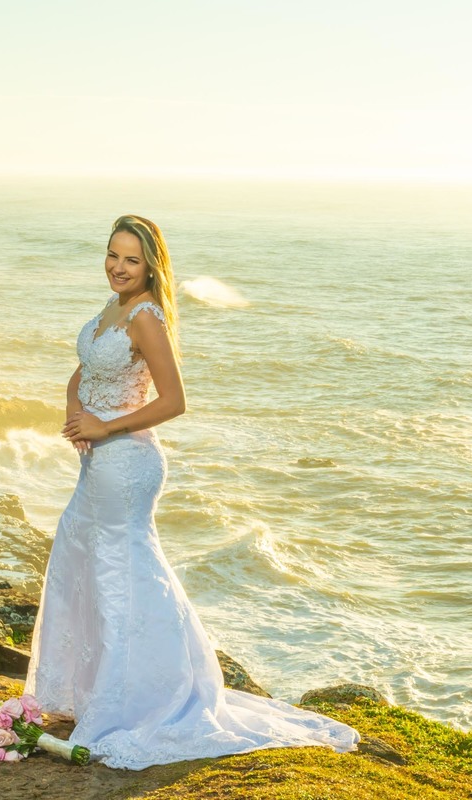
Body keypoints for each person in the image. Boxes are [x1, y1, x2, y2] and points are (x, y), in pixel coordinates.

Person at [24, 214, 360, 770]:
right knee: (83, 558)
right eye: (112, 254)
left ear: (151, 266)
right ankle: (92, 690)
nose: (118, 266)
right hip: (97, 465)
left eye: (131, 259)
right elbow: (83, 370)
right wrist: (74, 410)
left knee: (121, 571)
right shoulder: (112, 308)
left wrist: (105, 427)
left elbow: (174, 400)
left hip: (127, 462)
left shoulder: (147, 316)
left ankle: (141, 698)